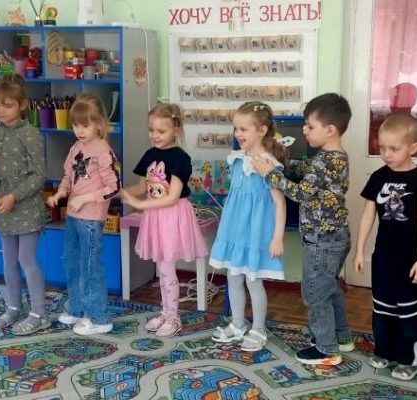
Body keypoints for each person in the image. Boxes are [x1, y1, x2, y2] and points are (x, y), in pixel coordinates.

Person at [254, 93, 353, 366]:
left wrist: (270, 174)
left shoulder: (325, 161)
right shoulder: (333, 157)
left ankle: (326, 348)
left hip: (322, 238)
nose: (304, 130)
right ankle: (341, 336)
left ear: (330, 130)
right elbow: (306, 170)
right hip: (336, 235)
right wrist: (281, 164)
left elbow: (301, 193)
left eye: (310, 126)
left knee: (315, 292)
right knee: (330, 288)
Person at [352, 113, 417, 380]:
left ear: (413, 148)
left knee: (411, 310)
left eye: (394, 148)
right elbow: (368, 215)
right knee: (383, 306)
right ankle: (384, 351)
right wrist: (360, 250)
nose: (386, 154)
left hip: (412, 260)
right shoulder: (378, 177)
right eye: (382, 148)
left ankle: (410, 358)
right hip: (384, 257)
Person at [121, 103, 209, 337]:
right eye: (151, 130)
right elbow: (143, 186)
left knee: (167, 267)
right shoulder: (150, 155)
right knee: (162, 267)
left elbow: (171, 197)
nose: (155, 135)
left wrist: (139, 204)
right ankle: (165, 312)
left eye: (161, 131)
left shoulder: (181, 158)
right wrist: (123, 192)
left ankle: (173, 317)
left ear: (176, 129)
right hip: (155, 216)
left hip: (172, 215)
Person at [208, 101, 287, 352]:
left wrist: (277, 237)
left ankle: (259, 329)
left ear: (262, 131)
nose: (238, 134)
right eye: (236, 129)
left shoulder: (268, 164)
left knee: (253, 280)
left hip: (255, 233)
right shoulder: (236, 159)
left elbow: (280, 203)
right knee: (233, 277)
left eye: (243, 129)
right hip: (235, 230)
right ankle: (238, 323)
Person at [0, 74, 49, 335]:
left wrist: (14, 196)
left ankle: (39, 313)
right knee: (8, 261)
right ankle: (14, 307)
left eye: (7, 105)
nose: (0, 110)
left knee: (25, 258)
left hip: (26, 207)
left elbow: (39, 175)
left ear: (22, 104)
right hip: (1, 205)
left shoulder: (30, 134)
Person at [45, 94, 121, 336]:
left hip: (91, 219)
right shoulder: (76, 148)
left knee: (90, 267)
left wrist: (85, 198)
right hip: (73, 215)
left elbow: (114, 187)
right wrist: (61, 192)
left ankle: (98, 317)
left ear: (99, 124)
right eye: (76, 125)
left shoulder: (103, 150)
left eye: (85, 125)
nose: (79, 130)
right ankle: (78, 309)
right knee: (72, 262)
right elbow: (68, 176)